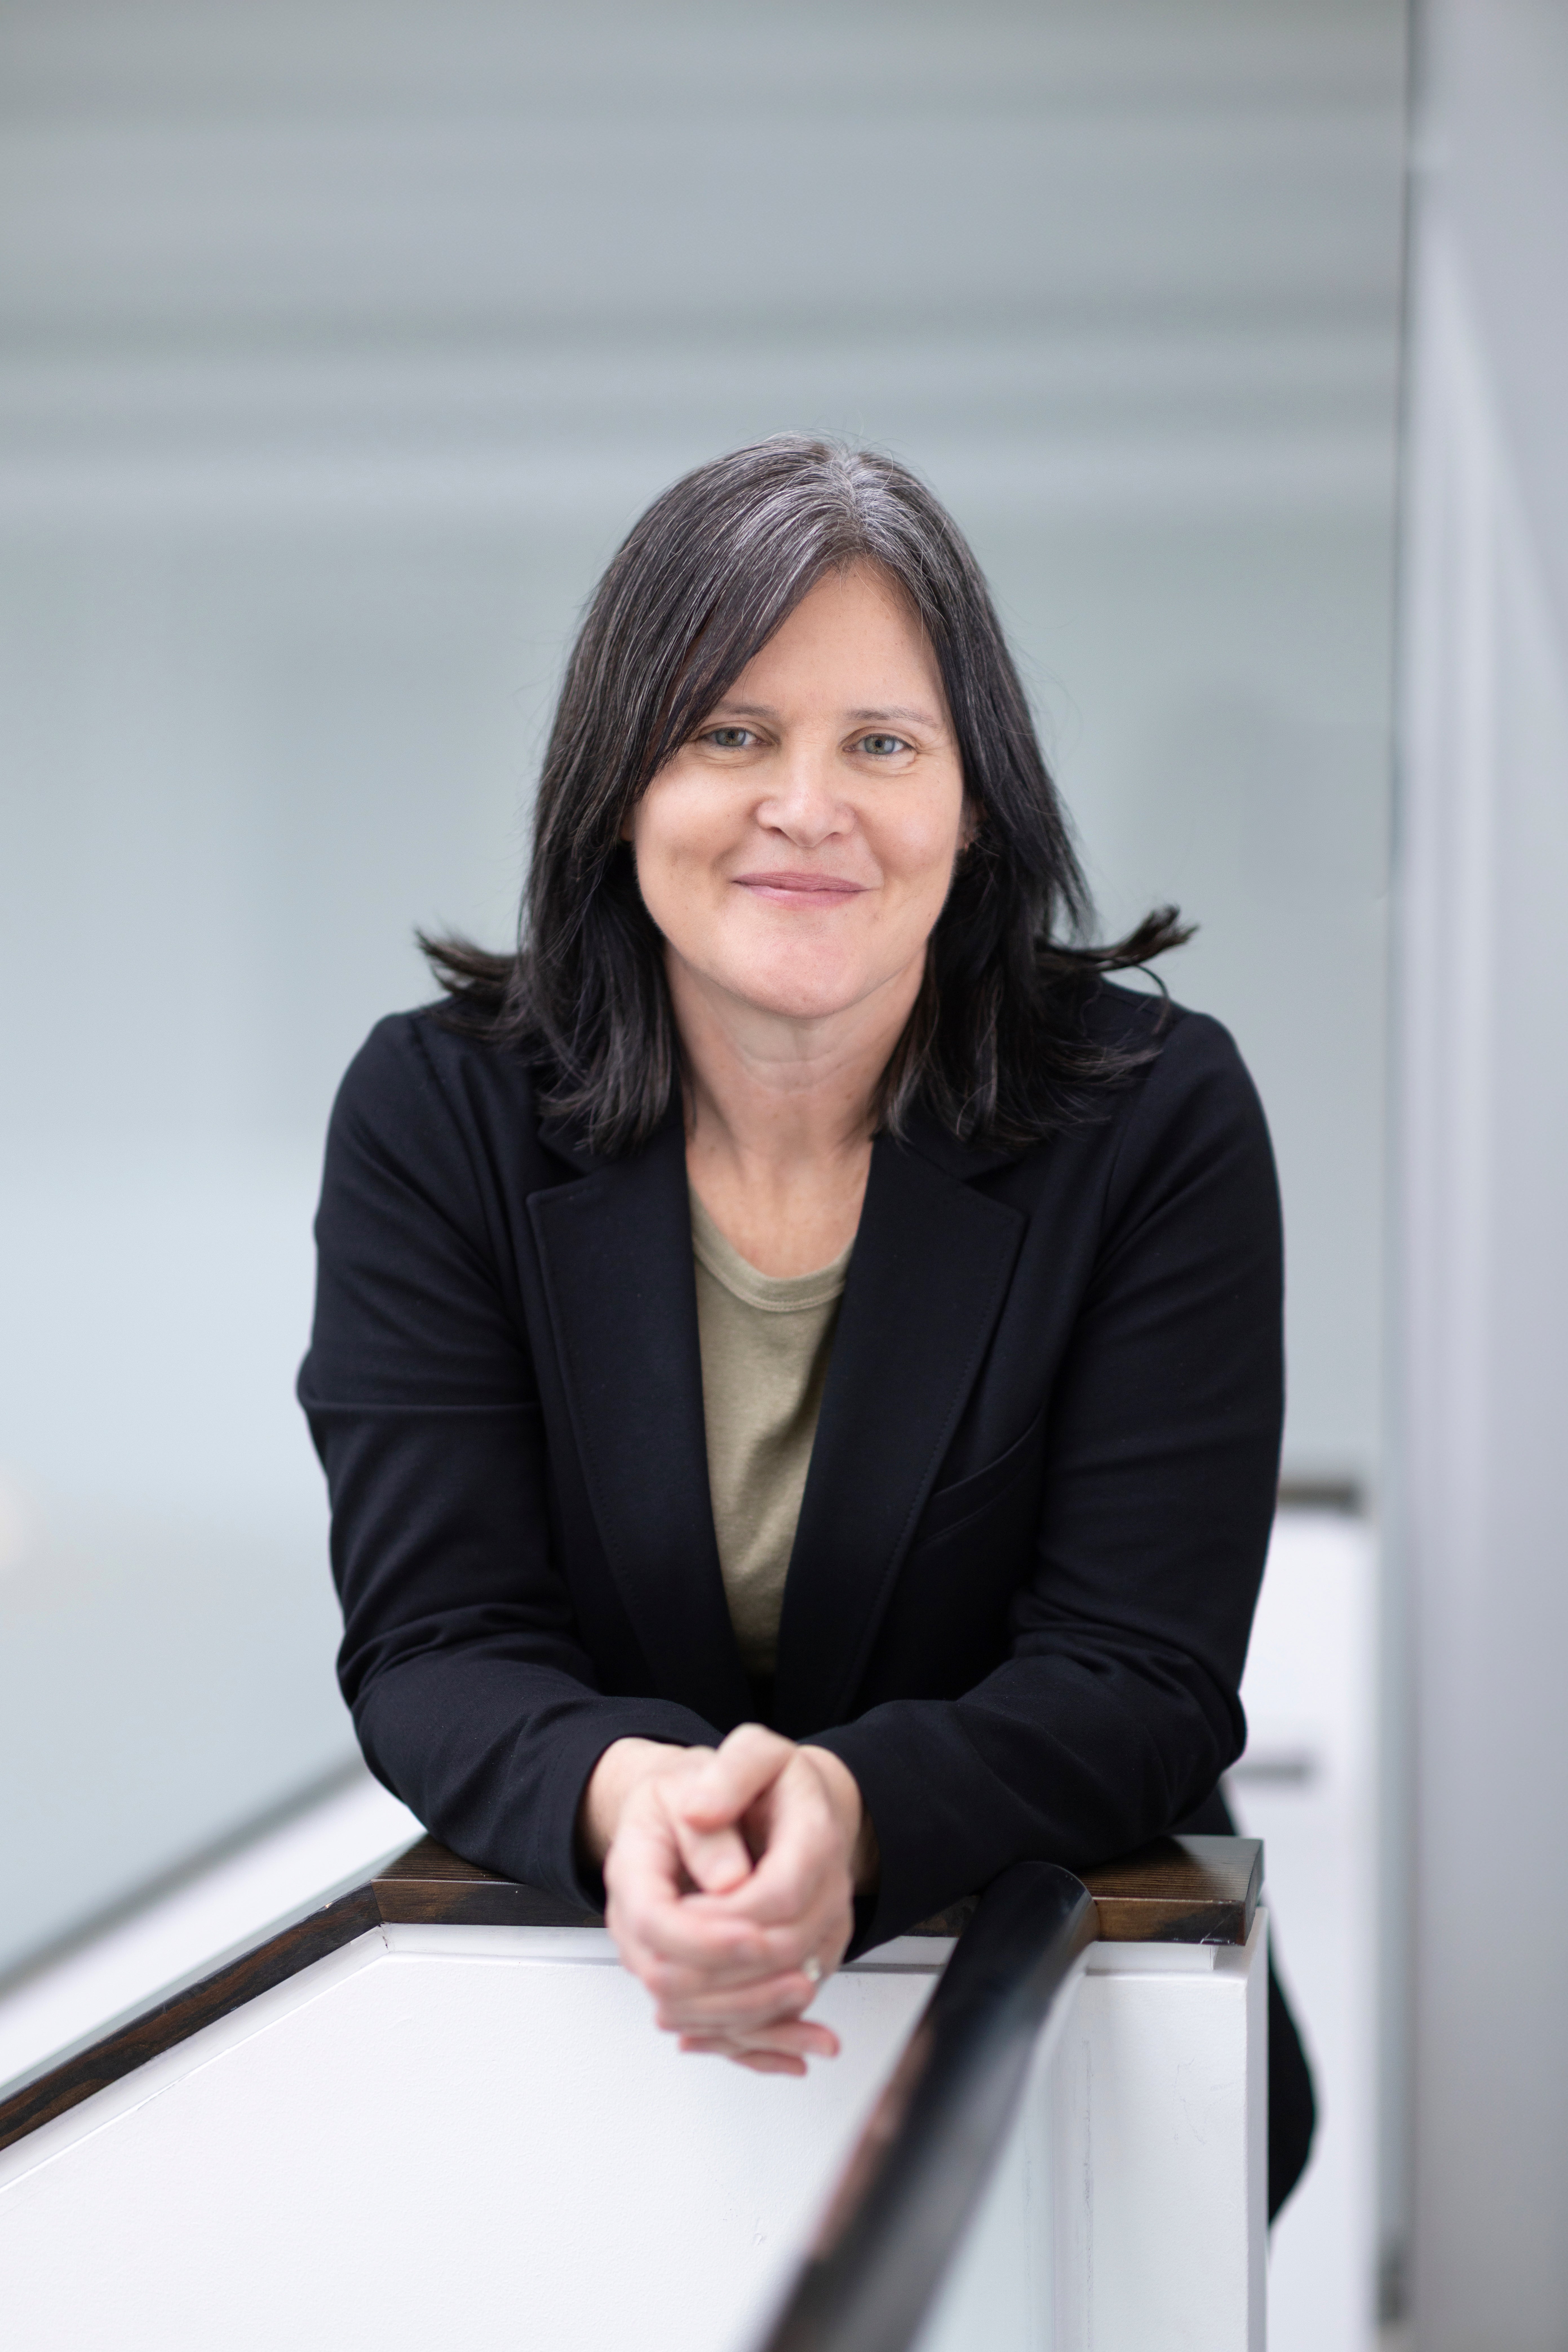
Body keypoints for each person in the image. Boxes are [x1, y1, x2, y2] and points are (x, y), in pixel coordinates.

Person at [299, 436, 1313, 2210]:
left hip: (1060, 2063)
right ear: (623, 786)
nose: (807, 806)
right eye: (730, 733)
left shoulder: (1153, 1117)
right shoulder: (436, 1114)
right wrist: (632, 1802)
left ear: (973, 801)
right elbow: (436, 1643)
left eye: (883, 743)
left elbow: (1142, 1679)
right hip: (581, 2055)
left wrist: (853, 1812)